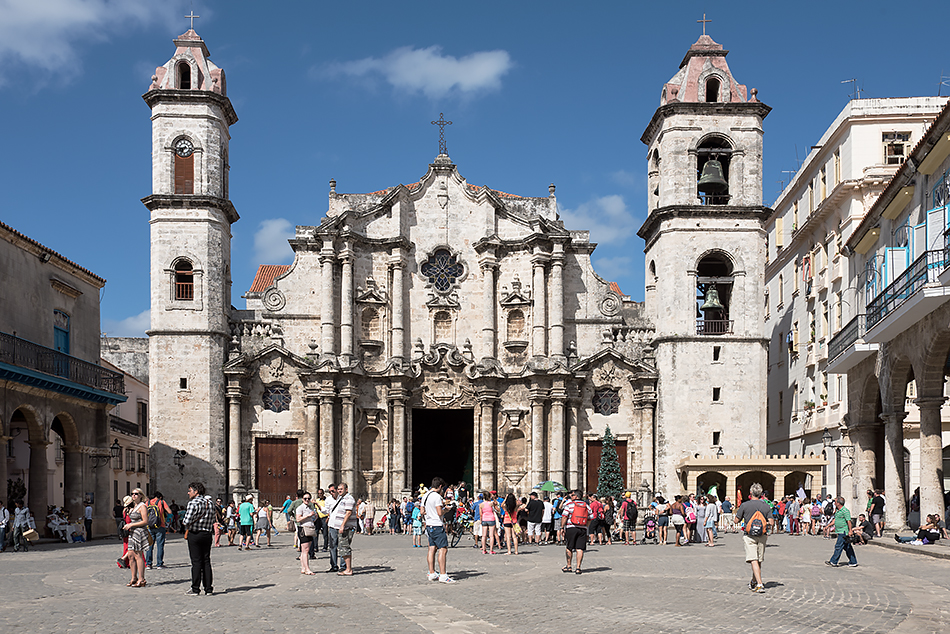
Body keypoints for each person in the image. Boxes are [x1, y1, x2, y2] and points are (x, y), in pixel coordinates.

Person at [735, 482, 771, 593]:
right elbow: (771, 522)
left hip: (749, 535)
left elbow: (736, 520)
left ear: (751, 493)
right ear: (761, 494)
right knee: (758, 560)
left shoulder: (745, 505)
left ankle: (760, 584)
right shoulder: (766, 505)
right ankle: (754, 581)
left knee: (754, 559)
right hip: (762, 535)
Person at [182, 481, 215, 595]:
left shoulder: (193, 503)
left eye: (189, 490)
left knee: (196, 562)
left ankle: (195, 588)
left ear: (196, 491)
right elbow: (213, 519)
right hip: (207, 534)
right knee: (206, 561)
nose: (188, 493)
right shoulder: (210, 503)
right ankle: (208, 588)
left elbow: (186, 520)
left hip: (195, 534)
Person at [422, 477, 456, 583]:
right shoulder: (437, 497)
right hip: (437, 525)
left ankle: (432, 572)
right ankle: (443, 575)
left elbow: (422, 511)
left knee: (431, 549)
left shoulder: (425, 495)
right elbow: (440, 513)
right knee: (443, 549)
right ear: (440, 486)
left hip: (429, 525)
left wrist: (430, 514)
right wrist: (447, 509)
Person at [560, 490, 591, 574]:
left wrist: (562, 527)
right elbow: (591, 517)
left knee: (569, 547)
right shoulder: (586, 506)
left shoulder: (569, 505)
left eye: (573, 495)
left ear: (576, 496)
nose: (571, 496)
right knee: (580, 548)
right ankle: (578, 568)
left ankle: (569, 566)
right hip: (582, 529)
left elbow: (564, 516)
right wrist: (585, 526)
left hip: (571, 527)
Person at [123, 489, 149, 587]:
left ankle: (141, 579)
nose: (134, 496)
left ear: (141, 496)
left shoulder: (142, 506)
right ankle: (133, 577)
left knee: (138, 555)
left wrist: (130, 525)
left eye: (136, 494)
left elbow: (145, 521)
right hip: (132, 532)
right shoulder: (134, 507)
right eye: (132, 494)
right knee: (130, 555)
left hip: (139, 532)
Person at [332, 482, 359, 576]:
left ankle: (348, 569)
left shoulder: (349, 499)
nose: (339, 490)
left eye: (341, 489)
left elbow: (348, 513)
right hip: (343, 527)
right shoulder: (342, 498)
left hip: (347, 527)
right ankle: (347, 568)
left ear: (346, 489)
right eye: (338, 489)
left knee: (344, 547)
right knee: (342, 547)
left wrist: (342, 525)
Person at [826, 496, 858, 568]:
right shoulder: (838, 511)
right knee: (847, 547)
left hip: (843, 531)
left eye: (835, 501)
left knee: (838, 546)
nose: (834, 503)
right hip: (839, 530)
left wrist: (850, 531)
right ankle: (853, 561)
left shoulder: (845, 511)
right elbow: (835, 520)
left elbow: (849, 521)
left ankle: (833, 561)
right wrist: (828, 525)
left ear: (838, 503)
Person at [145, 491, 172, 569]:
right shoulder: (162, 502)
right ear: (160, 497)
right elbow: (169, 511)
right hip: (160, 525)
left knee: (150, 545)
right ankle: (159, 564)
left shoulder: (148, 502)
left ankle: (148, 564)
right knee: (160, 545)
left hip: (149, 526)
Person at [295, 492, 317, 574]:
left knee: (304, 550)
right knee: (306, 550)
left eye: (308, 498)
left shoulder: (309, 508)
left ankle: (303, 568)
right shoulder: (300, 508)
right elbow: (298, 519)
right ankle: (307, 569)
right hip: (303, 529)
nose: (307, 500)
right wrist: (308, 516)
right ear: (302, 499)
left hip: (310, 528)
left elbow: (311, 519)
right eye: (305, 498)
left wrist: (314, 517)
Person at [324, 484, 342, 572]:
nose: (331, 493)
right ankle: (334, 565)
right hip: (332, 525)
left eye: (332, 491)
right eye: (329, 491)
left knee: (342, 546)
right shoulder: (328, 499)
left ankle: (343, 566)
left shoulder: (343, 499)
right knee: (332, 546)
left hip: (342, 525)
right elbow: (326, 510)